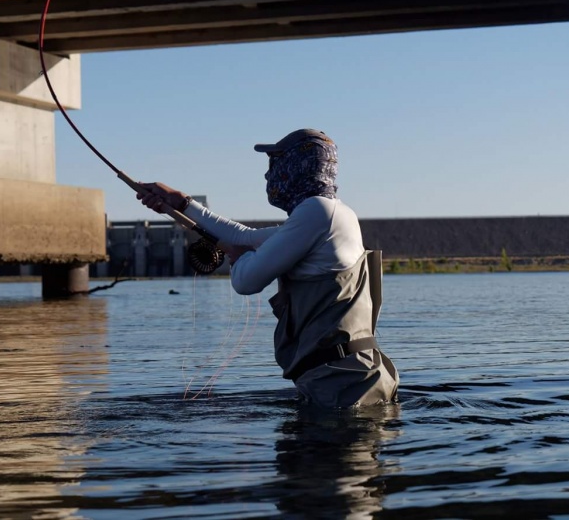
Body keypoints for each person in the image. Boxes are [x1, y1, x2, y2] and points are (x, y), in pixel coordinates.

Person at [137, 129, 399, 407]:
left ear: (298, 167)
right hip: (354, 377)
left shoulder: (317, 212)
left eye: (276, 164)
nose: (268, 176)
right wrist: (181, 204)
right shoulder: (334, 213)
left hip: (340, 385)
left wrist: (238, 258)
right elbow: (244, 237)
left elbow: (245, 282)